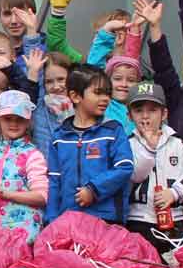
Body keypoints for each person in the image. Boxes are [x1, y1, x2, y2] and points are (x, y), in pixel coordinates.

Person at [44, 64, 133, 224]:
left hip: (107, 219)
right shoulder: (59, 137)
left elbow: (124, 167)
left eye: (107, 93)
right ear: (76, 96)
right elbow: (54, 181)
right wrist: (50, 219)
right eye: (98, 93)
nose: (106, 98)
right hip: (68, 220)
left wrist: (94, 189)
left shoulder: (113, 130)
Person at [124, 81, 183, 249]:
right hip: (139, 219)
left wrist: (175, 193)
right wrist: (150, 149)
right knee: (144, 266)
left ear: (164, 113)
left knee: (174, 266)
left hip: (175, 219)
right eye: (138, 111)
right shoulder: (126, 144)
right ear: (129, 116)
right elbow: (135, 174)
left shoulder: (178, 142)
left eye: (152, 110)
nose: (145, 116)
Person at [0, 90, 47, 243]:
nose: (14, 123)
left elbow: (42, 196)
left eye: (20, 119)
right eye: (8, 118)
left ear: (28, 122)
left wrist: (8, 195)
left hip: (26, 239)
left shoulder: (33, 155)